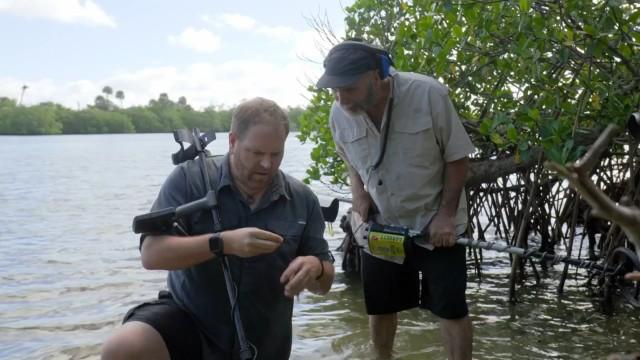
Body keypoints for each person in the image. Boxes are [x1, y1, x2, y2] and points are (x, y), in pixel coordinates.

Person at [101, 97, 335, 360]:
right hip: (190, 324)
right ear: (233, 141)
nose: (267, 164)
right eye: (257, 153)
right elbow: (152, 254)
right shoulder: (190, 179)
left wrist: (315, 268)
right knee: (124, 347)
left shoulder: (302, 199)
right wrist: (222, 243)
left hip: (265, 338)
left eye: (276, 154)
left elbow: (325, 282)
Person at [317, 40, 475, 359]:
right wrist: (359, 195)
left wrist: (445, 215)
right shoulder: (339, 113)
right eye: (334, 89)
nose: (340, 97)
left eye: (348, 88)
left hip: (436, 224)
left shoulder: (429, 94)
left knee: (451, 309)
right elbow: (351, 160)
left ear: (376, 76)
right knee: (381, 305)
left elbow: (457, 157)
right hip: (383, 225)